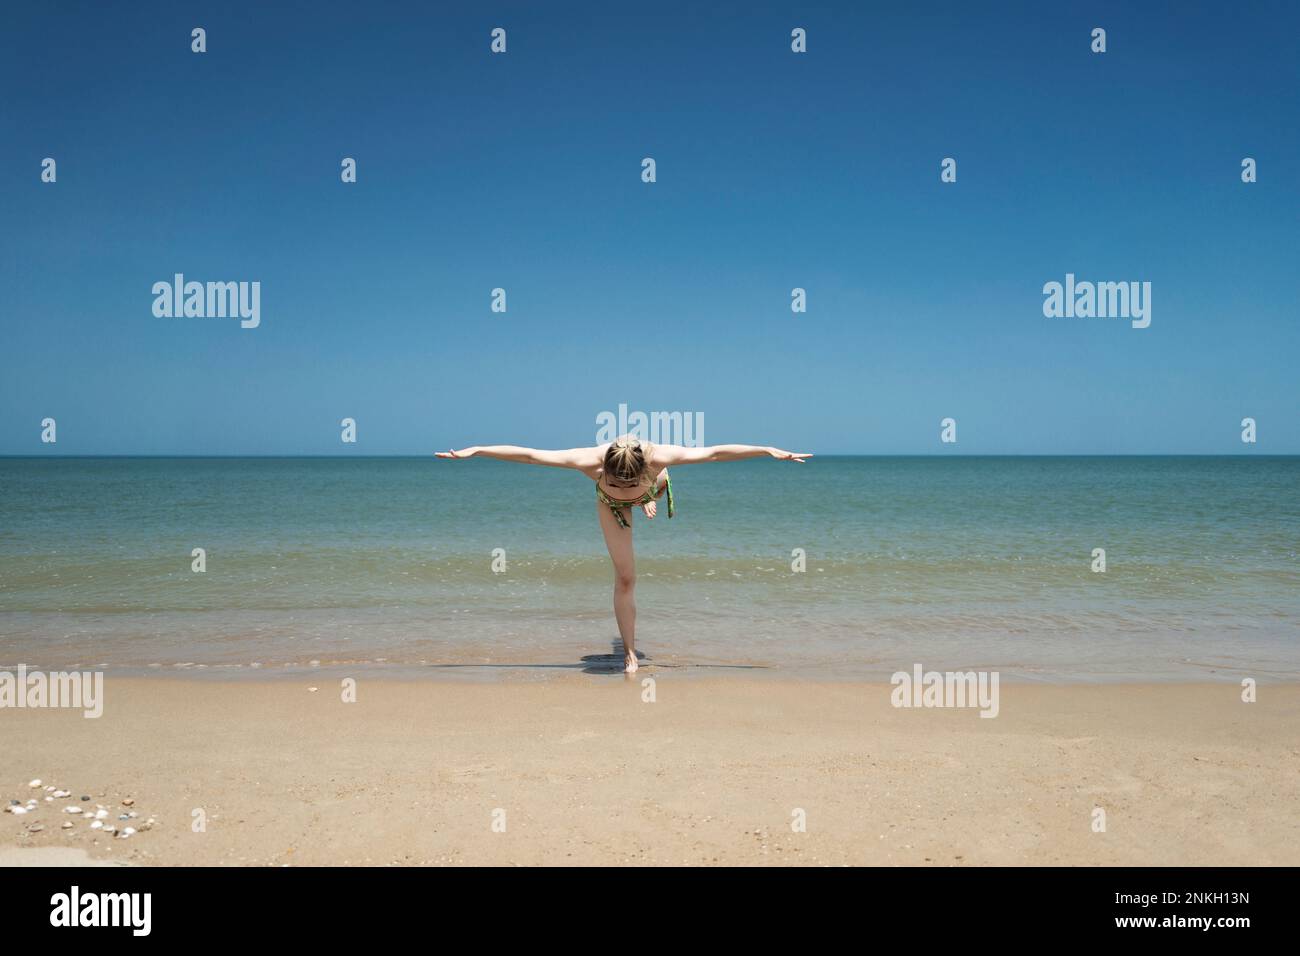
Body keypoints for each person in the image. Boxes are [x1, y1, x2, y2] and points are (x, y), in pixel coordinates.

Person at [437, 437, 812, 672]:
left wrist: (768, 450)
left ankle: (651, 499)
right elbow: (532, 456)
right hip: (611, 509)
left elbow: (715, 453)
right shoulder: (587, 462)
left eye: (629, 484)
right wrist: (478, 450)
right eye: (616, 482)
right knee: (626, 578)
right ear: (603, 471)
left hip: (655, 486)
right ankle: (630, 653)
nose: (622, 486)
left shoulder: (660, 459)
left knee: (660, 485)